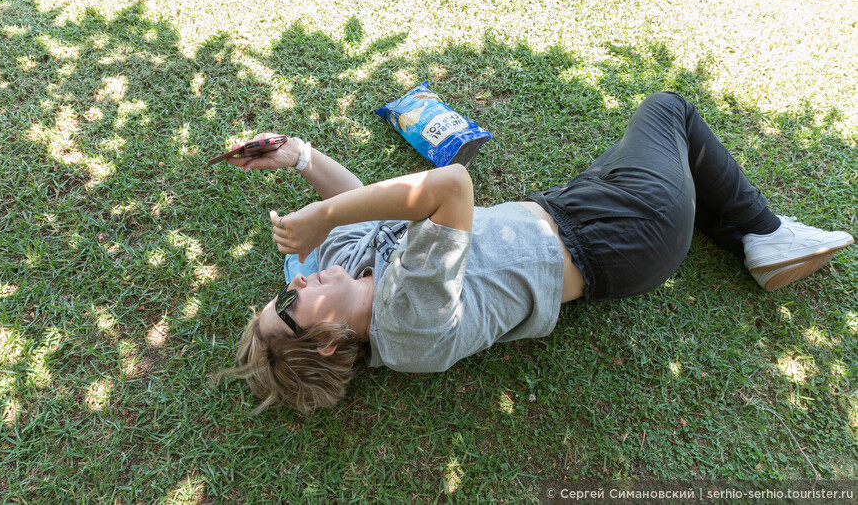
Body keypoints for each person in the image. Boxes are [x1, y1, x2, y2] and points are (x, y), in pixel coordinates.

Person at [219, 92, 854, 414]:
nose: (294, 283)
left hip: (574, 205)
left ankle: (746, 235)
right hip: (623, 240)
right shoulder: (404, 322)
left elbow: (362, 199)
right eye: (288, 303)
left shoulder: (347, 274)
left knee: (671, 154)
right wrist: (324, 216)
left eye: (283, 291)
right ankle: (762, 234)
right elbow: (450, 186)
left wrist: (299, 158)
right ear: (326, 340)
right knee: (669, 113)